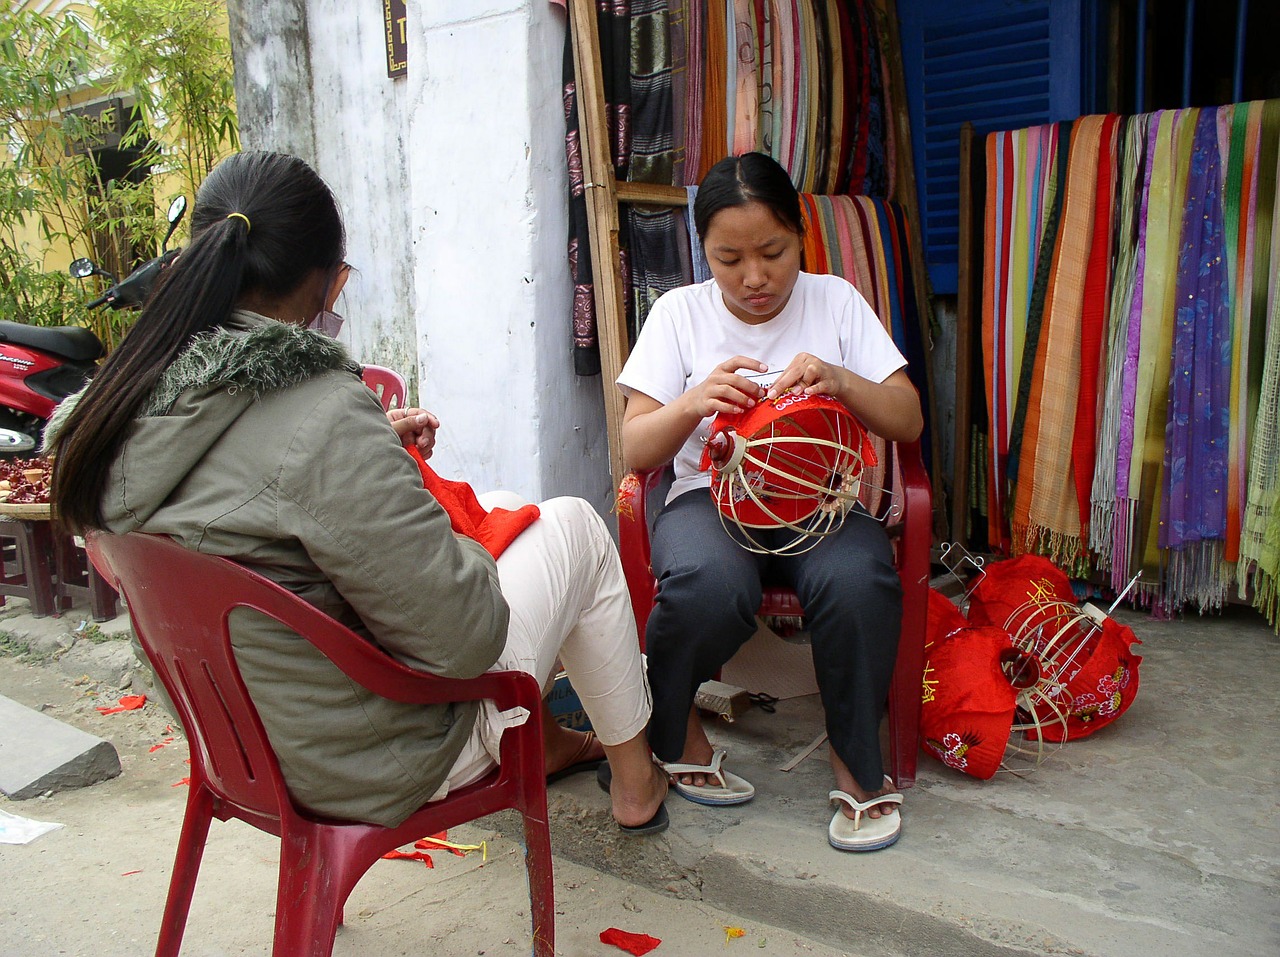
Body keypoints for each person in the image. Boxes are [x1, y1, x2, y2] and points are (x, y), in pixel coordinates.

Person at [47, 150, 668, 835]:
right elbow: (465, 637)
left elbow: (251, 495)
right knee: (574, 526)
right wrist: (393, 481)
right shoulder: (315, 409)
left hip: (237, 745)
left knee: (498, 516)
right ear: (329, 285)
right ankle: (636, 783)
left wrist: (368, 449)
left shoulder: (117, 410)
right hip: (370, 757)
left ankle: (548, 742)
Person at [616, 152, 923, 852]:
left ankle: (856, 759)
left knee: (858, 581)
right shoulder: (678, 314)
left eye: (772, 252)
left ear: (801, 237)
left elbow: (905, 418)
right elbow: (636, 450)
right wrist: (694, 401)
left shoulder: (836, 300)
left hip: (821, 501)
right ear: (705, 254)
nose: (753, 277)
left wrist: (842, 380)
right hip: (709, 501)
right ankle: (674, 728)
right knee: (705, 585)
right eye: (728, 258)